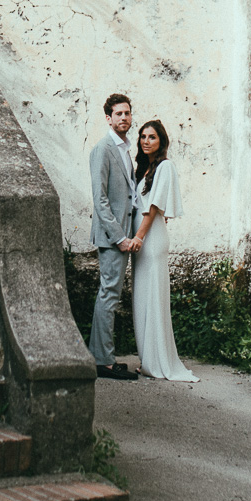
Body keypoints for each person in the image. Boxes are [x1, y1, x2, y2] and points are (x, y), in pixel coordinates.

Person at [129, 120, 198, 381]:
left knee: (153, 297)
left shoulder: (166, 167)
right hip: (143, 236)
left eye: (152, 137)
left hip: (151, 238)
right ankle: (148, 358)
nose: (146, 141)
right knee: (142, 297)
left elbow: (155, 206)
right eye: (143, 137)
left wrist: (139, 236)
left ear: (162, 141)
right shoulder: (146, 169)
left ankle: (158, 361)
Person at [88, 92, 141, 380]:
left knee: (111, 294)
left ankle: (103, 356)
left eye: (127, 113)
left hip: (124, 234)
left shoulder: (124, 149)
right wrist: (120, 237)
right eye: (118, 114)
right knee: (108, 295)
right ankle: (104, 362)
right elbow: (100, 200)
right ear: (108, 118)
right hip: (112, 237)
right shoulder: (103, 148)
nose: (124, 117)